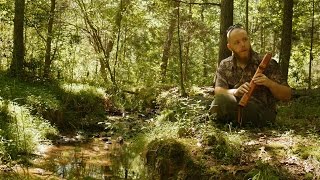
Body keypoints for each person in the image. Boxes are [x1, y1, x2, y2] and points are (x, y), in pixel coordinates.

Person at [210, 24, 292, 127]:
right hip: (236, 107)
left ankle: (222, 121)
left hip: (263, 113)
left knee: (219, 103)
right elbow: (218, 91)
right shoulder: (225, 64)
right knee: (214, 102)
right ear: (229, 47)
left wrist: (269, 83)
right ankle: (225, 122)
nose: (243, 44)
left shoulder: (267, 63)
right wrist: (235, 92)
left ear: (249, 40)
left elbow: (287, 95)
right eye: (237, 42)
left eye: (245, 40)